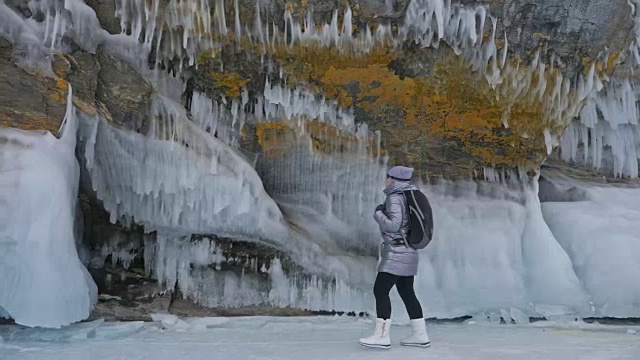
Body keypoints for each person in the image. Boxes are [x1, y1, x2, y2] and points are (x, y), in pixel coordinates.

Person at [358, 166, 430, 349]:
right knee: (407, 293)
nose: (386, 179)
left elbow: (393, 225)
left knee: (380, 291)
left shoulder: (395, 198)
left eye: (387, 177)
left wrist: (378, 214)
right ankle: (420, 335)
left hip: (397, 252)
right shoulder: (409, 195)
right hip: (409, 251)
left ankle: (382, 336)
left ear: (393, 179)